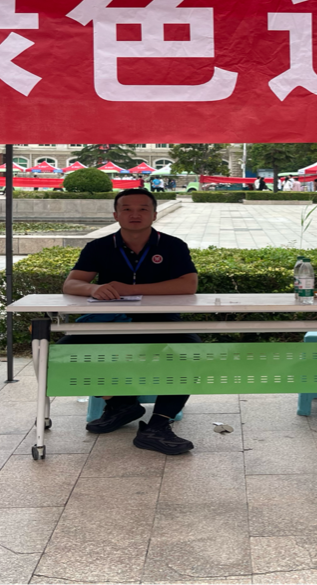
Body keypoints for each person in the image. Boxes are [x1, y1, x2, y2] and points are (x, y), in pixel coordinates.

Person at [61, 188, 199, 455]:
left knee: (191, 352)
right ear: (116, 215)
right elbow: (71, 283)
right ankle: (121, 404)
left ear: (154, 214)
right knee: (62, 352)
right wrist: (93, 288)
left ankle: (158, 426)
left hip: (162, 321)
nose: (135, 214)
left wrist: (130, 289)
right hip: (112, 321)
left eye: (143, 209)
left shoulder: (173, 246)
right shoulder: (99, 247)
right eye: (127, 209)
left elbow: (188, 285)